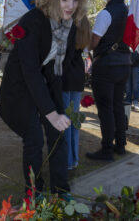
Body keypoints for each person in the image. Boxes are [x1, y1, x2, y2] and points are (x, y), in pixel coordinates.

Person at [0, 0, 88, 197]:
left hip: (46, 85)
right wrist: (50, 112)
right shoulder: (33, 21)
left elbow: (57, 73)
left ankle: (60, 190)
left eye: (75, 0)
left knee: (58, 136)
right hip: (20, 87)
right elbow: (30, 72)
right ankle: (34, 193)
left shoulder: (70, 28)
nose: (70, 6)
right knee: (34, 138)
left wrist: (57, 109)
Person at [86, 0, 130, 162]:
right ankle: (120, 145)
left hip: (106, 65)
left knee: (106, 108)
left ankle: (106, 150)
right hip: (124, 63)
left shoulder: (106, 12)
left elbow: (94, 40)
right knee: (118, 106)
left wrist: (86, 46)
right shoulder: (128, 12)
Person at [62, 16, 91, 170]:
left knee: (67, 120)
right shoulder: (85, 23)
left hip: (67, 75)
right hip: (77, 73)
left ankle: (68, 160)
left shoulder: (71, 23)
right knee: (74, 120)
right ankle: (73, 159)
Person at [125, 40, 139, 111]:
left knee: (136, 84)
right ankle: (128, 100)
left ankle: (136, 101)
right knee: (128, 85)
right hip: (127, 64)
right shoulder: (127, 36)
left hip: (137, 65)